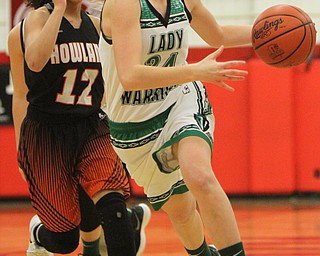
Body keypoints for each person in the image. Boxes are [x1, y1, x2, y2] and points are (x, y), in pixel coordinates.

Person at [99, 0, 252, 255]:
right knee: (181, 211)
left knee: (199, 175)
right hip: (133, 128)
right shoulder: (124, 4)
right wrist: (194, 70)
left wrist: (264, 30)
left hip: (179, 101)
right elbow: (130, 76)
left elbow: (219, 35)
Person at [7, 0, 151, 255]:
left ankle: (127, 220)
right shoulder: (36, 21)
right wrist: (21, 146)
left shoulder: (96, 26)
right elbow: (33, 69)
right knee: (65, 240)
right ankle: (39, 234)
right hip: (47, 132)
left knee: (113, 208)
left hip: (91, 126)